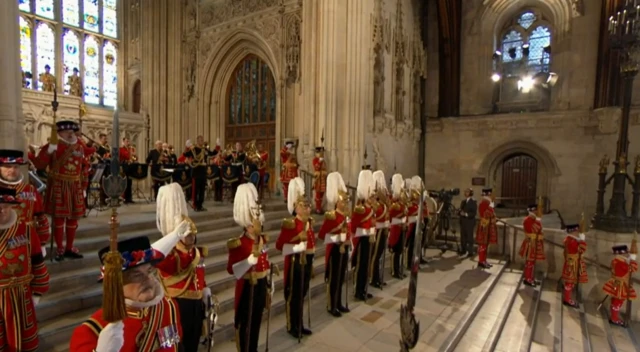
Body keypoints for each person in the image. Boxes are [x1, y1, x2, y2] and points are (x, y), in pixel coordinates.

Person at [69, 222, 192, 351]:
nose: (147, 279)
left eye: (149, 271)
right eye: (136, 275)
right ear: (116, 284)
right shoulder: (91, 331)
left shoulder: (169, 307)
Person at [154, 183, 211, 351]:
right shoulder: (170, 255)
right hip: (176, 305)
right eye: (188, 235)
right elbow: (158, 256)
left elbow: (198, 272)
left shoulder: (194, 252)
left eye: (193, 235)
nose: (192, 238)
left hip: (195, 304)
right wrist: (173, 235)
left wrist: (205, 289)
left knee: (193, 343)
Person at [0, 187, 49, 351]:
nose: (2, 211)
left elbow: (37, 262)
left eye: (5, 206)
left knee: (23, 341)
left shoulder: (26, 230)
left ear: (12, 207)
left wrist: (38, 291)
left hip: (21, 296)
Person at [34, 120, 90, 261]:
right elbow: (39, 164)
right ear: (59, 133)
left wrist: (83, 185)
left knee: (73, 219)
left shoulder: (79, 147)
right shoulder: (53, 146)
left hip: (75, 186)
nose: (71, 134)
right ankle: (59, 248)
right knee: (59, 219)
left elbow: (84, 166)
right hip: (59, 184)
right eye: (67, 132)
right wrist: (48, 151)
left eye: (72, 131)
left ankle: (69, 247)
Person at [226, 183, 271, 351]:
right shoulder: (239, 243)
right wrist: (249, 261)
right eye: (254, 222)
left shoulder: (261, 240)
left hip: (260, 285)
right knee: (246, 324)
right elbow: (231, 269)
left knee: (257, 321)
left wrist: (268, 280)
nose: (257, 224)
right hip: (247, 287)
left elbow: (265, 261)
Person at [276, 177, 315, 338]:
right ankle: (292, 325)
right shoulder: (291, 224)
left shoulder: (309, 223)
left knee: (302, 294)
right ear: (296, 208)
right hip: (294, 263)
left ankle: (300, 323)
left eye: (308, 205)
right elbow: (279, 245)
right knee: (294, 295)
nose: (307, 208)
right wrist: (297, 238)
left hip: (307, 262)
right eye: (303, 206)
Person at [0, 149, 50, 252]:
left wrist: (42, 243)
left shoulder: (31, 190)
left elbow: (40, 217)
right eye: (8, 167)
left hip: (25, 243)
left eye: (16, 167)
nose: (12, 171)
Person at [318, 172, 351, 317]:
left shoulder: (346, 216)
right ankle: (331, 305)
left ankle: (338, 303)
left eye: (346, 201)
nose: (345, 204)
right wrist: (338, 235)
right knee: (333, 277)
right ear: (337, 202)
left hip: (345, 248)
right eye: (343, 201)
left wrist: (348, 241)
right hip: (335, 249)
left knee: (341, 276)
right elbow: (322, 235)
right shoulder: (331, 216)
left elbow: (349, 232)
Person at [350, 167, 375, 301]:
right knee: (361, 265)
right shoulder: (360, 209)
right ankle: (358, 290)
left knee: (366, 265)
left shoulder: (370, 208)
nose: (372, 197)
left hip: (368, 238)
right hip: (361, 239)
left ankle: (364, 288)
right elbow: (354, 226)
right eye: (370, 195)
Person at [603, 244, 637, 326]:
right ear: (622, 254)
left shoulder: (616, 261)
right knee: (618, 301)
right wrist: (633, 260)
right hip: (620, 285)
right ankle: (614, 319)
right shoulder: (621, 263)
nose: (628, 255)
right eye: (626, 253)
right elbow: (633, 268)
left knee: (615, 300)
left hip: (616, 283)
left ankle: (613, 317)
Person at [185, 136, 220, 211]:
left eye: (202, 140)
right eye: (200, 140)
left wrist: (217, 146)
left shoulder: (204, 149)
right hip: (196, 170)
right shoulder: (193, 149)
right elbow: (185, 154)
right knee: (196, 189)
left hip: (203, 171)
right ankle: (195, 205)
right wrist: (187, 147)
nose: (202, 141)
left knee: (202, 189)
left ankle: (200, 205)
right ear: (197, 141)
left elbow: (212, 153)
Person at [370, 170, 389, 289]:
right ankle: (373, 277)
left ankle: (378, 277)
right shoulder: (375, 202)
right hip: (377, 229)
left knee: (380, 254)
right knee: (375, 255)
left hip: (383, 228)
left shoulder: (383, 202)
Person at [561, 224, 587, 308]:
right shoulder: (571, 241)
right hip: (572, 264)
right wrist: (582, 241)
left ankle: (567, 298)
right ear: (572, 232)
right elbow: (581, 250)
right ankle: (567, 299)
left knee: (570, 282)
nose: (578, 233)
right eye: (576, 231)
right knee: (569, 282)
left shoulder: (570, 239)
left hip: (572, 263)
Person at [519, 203, 545, 286]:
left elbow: (540, 231)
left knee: (532, 262)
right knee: (529, 262)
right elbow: (535, 230)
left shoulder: (534, 220)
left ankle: (531, 277)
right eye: (536, 210)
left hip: (535, 242)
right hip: (530, 244)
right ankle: (528, 279)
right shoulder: (528, 220)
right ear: (532, 210)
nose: (538, 211)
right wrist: (538, 222)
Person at [388, 174, 406, 279]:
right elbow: (391, 216)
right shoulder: (394, 203)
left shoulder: (401, 202)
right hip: (395, 227)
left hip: (401, 227)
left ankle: (399, 269)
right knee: (396, 250)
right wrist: (402, 214)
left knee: (400, 250)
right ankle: (395, 270)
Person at [475, 188, 497, 269]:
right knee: (483, 244)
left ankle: (484, 260)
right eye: (490, 194)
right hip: (484, 226)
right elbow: (488, 214)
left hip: (488, 225)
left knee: (486, 244)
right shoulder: (484, 203)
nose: (492, 196)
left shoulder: (488, 203)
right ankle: (481, 261)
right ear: (487, 195)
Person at [458, 188, 477, 258]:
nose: (466, 193)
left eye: (467, 192)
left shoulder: (473, 202)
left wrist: (466, 214)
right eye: (465, 191)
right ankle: (463, 250)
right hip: (463, 221)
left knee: (469, 237)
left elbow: (474, 213)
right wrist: (459, 212)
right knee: (463, 237)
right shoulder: (463, 201)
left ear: (471, 193)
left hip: (469, 222)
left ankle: (470, 251)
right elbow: (461, 210)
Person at [312, 147, 328, 214]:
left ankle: (320, 207)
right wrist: (319, 161)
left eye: (321, 153)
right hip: (318, 179)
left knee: (322, 194)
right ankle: (317, 208)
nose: (320, 154)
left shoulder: (323, 161)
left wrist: (325, 173)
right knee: (318, 194)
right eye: (319, 153)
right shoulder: (315, 160)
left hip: (323, 179)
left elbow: (325, 169)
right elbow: (316, 168)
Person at [119, 137, 134, 204]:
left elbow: (134, 157)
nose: (128, 142)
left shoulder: (131, 149)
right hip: (124, 167)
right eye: (126, 141)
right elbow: (121, 157)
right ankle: (124, 198)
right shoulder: (121, 149)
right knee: (125, 183)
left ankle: (129, 198)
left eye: (128, 141)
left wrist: (134, 156)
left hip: (130, 167)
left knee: (130, 183)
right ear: (123, 142)